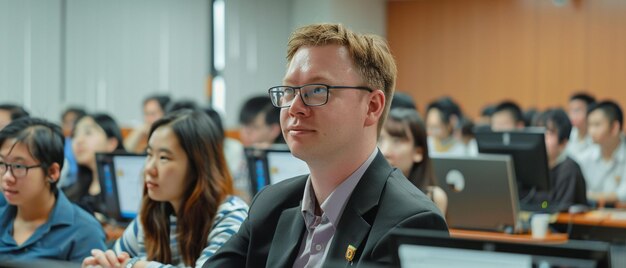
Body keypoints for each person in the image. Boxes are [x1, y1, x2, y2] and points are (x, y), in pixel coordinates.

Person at [205, 23, 448, 268]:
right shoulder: (272, 203)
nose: (294, 107)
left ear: (372, 107)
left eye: (317, 90)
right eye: (290, 91)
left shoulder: (411, 221)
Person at [82, 109, 248, 268]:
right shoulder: (152, 214)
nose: (149, 168)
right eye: (149, 154)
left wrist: (134, 265)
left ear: (198, 166)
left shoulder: (230, 215)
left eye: (163, 158)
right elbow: (114, 260)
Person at [0, 118, 106, 261]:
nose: (7, 177)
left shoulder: (83, 232)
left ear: (52, 172)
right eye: (1, 163)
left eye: (19, 166)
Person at [379, 108, 447, 214]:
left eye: (397, 141)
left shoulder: (433, 197)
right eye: (380, 139)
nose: (385, 152)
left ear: (418, 153)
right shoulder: (368, 193)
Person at [62, 113, 126, 215]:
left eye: (88, 133)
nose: (78, 140)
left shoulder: (126, 194)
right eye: (75, 135)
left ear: (111, 143)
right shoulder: (69, 193)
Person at [531, 108, 587, 211]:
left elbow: (559, 209)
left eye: (549, 133)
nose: (542, 138)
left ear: (563, 143)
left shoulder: (569, 169)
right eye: (539, 131)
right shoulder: (533, 168)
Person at [578, 101, 626, 205]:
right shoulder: (584, 158)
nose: (591, 131)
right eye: (589, 125)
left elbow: (623, 194)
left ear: (614, 127)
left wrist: (590, 197)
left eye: (597, 125)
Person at [59, 107, 87, 188]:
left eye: (71, 122)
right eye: (64, 122)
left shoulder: (79, 143)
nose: (67, 126)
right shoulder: (63, 141)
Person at [567, 93, 597, 162]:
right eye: (570, 110)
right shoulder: (569, 133)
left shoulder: (596, 136)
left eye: (577, 110)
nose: (572, 115)